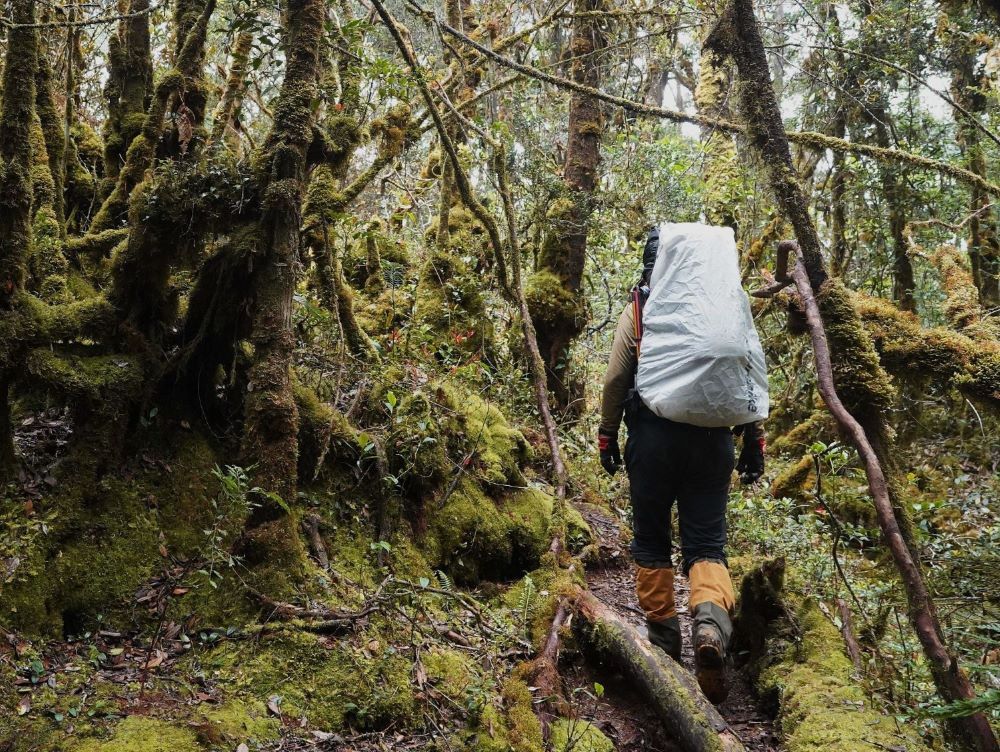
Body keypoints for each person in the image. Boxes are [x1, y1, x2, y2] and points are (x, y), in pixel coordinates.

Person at [597, 224, 765, 704]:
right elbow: (750, 377)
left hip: (652, 439)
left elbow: (615, 378)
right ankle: (710, 626)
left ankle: (665, 650)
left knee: (651, 539)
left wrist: (608, 435)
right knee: (707, 542)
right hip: (714, 445)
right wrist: (754, 441)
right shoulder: (729, 306)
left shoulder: (643, 305)